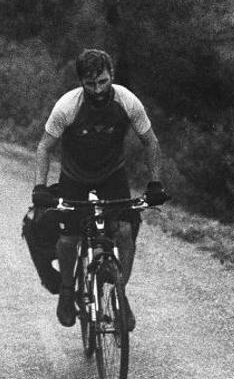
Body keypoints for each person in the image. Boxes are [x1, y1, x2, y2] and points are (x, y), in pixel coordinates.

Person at [32, 48, 168, 330]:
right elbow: (45, 147)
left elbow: (151, 142)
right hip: (75, 176)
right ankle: (68, 292)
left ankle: (120, 295)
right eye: (90, 84)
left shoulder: (127, 101)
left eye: (103, 82)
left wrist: (155, 183)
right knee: (69, 239)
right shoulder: (68, 106)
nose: (97, 90)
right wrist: (40, 187)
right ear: (81, 82)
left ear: (112, 76)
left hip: (111, 174)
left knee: (125, 232)